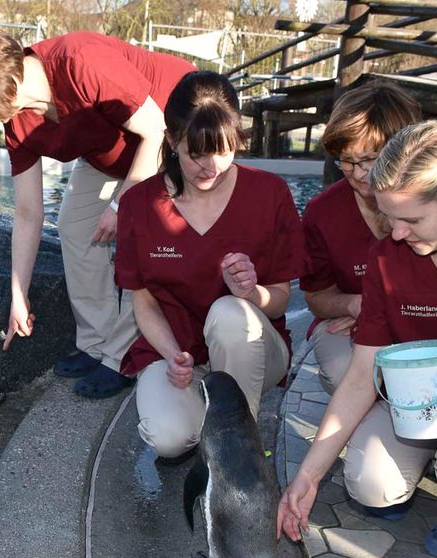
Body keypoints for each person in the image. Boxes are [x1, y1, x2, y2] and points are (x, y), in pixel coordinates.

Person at [0, 28, 195, 398]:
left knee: (143, 232)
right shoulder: (18, 124)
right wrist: (18, 295)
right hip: (109, 152)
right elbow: (29, 213)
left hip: (175, 130)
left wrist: (119, 204)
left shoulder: (81, 62)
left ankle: (123, 356)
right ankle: (97, 342)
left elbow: (155, 131)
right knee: (74, 225)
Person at [278, 120, 437, 558]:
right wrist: (308, 476)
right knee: (371, 484)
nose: (397, 233)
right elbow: (362, 374)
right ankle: (432, 456)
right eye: (389, 217)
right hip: (419, 404)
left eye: (412, 219)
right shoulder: (388, 258)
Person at [115, 70, 306, 460]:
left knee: (230, 312)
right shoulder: (138, 205)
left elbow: (283, 300)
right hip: (177, 351)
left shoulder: (270, 194)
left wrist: (252, 293)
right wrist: (171, 354)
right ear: (171, 141)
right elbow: (143, 300)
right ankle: (201, 409)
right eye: (196, 153)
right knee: (169, 439)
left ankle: (237, 447)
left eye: (223, 150)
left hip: (253, 351)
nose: (211, 166)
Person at [300, 82, 421, 394]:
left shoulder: (435, 203)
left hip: (422, 322)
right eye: (347, 161)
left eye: (370, 159)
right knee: (345, 369)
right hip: (350, 322)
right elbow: (317, 297)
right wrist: (354, 305)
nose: (357, 173)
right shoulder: (322, 212)